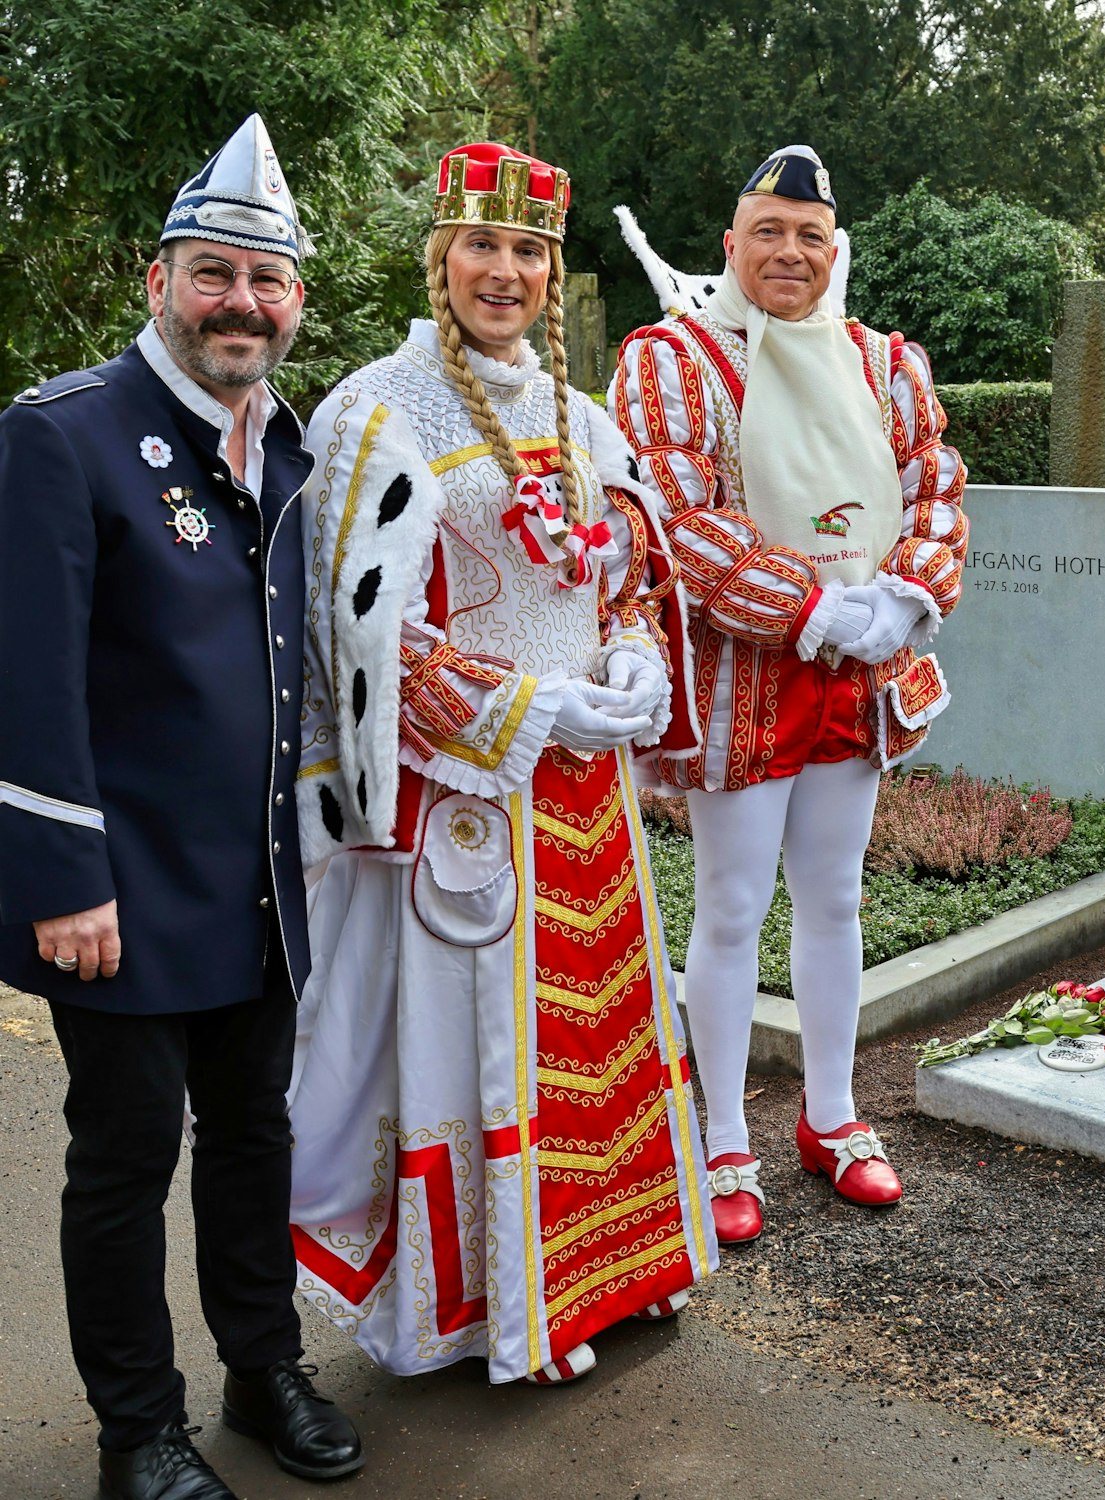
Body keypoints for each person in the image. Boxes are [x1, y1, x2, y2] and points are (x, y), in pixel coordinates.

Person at [285, 141, 714, 1386]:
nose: (505, 271)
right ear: (441, 255)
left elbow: (623, 580)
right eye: (482, 244)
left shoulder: (586, 419)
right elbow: (358, 634)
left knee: (611, 1044)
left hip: (591, 799)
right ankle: (499, 1314)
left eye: (528, 250)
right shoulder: (374, 409)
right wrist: (528, 706)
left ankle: (619, 1274)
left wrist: (633, 659)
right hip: (464, 792)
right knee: (485, 1054)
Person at [0, 116, 362, 1500]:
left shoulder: (288, 447)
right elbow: (25, 678)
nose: (241, 304)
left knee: (254, 1135)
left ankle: (261, 1370)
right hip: (124, 885)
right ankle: (137, 1432)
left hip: (257, 878)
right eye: (215, 274)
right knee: (126, 1159)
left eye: (266, 281)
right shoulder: (65, 435)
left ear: (296, 300)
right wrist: (61, 876)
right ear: (160, 282)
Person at [614, 145, 967, 1244]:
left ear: (833, 248)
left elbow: (933, 485)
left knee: (836, 898)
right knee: (729, 908)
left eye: (809, 235)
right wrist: (810, 608)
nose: (789, 252)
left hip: (858, 675)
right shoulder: (672, 359)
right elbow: (677, 514)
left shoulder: (884, 362)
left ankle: (831, 1116)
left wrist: (905, 596)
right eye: (767, 231)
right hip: (743, 676)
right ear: (730, 245)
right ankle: (723, 1136)